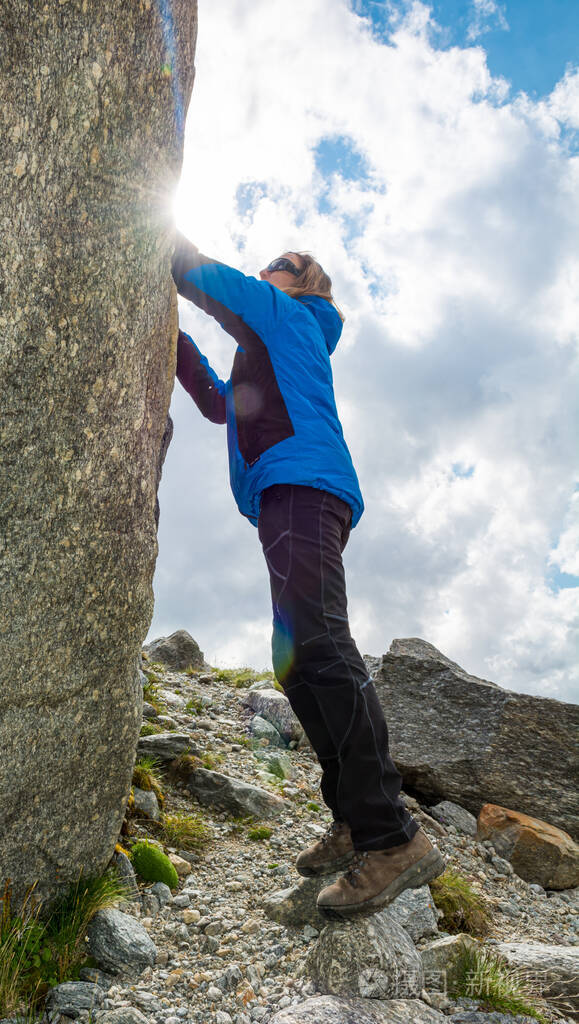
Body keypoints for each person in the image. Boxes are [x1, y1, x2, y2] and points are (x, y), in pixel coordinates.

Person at [171, 232, 444, 918]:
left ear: (304, 282)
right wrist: (168, 337)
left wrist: (148, 233)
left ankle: (391, 836)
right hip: (286, 493)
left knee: (319, 643)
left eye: (280, 265)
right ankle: (353, 817)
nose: (265, 268)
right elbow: (219, 402)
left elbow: (205, 276)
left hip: (302, 486)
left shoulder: (286, 316)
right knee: (295, 662)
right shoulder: (265, 346)